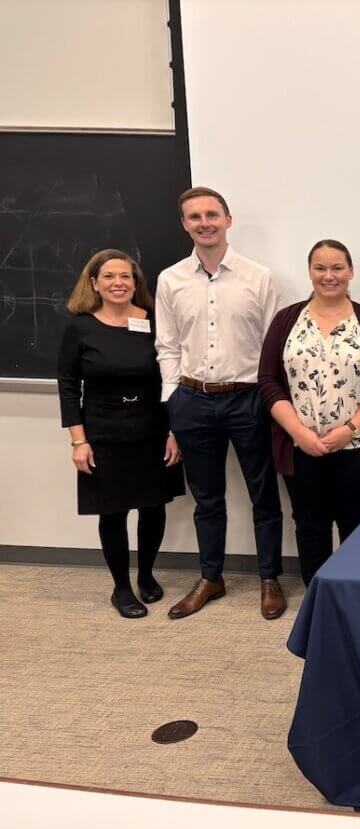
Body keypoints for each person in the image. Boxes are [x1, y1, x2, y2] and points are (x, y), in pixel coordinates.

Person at [155, 186, 285, 619]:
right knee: (207, 500)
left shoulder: (259, 278)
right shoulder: (170, 280)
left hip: (248, 400)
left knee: (263, 495)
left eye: (212, 215)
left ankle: (269, 578)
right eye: (195, 217)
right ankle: (211, 577)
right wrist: (174, 402)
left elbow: (273, 347)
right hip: (192, 400)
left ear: (228, 220)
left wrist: (270, 402)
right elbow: (167, 346)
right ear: (184, 225)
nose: (204, 223)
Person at [259, 240, 360, 586]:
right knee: (310, 526)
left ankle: (354, 595)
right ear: (310, 272)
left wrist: (349, 429)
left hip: (357, 447)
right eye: (320, 268)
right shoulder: (286, 321)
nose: (329, 275)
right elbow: (268, 382)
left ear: (351, 272)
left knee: (357, 525)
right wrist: (299, 432)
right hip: (301, 448)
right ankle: (317, 596)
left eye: (337, 267)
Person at [57, 249, 185, 618]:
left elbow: (172, 377)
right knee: (112, 512)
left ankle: (146, 575)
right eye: (109, 276)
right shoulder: (79, 327)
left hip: (153, 429)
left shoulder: (154, 322)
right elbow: (68, 385)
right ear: (94, 283)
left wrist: (174, 431)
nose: (119, 283)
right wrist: (78, 441)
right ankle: (122, 588)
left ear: (135, 282)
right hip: (103, 434)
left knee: (153, 506)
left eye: (126, 276)